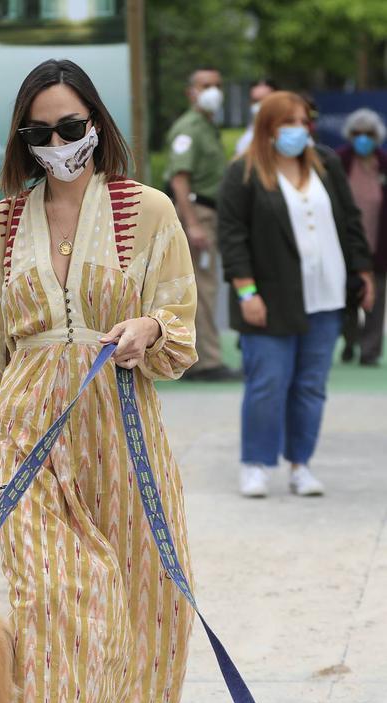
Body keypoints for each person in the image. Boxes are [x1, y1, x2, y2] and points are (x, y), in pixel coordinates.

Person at [0, 59, 197, 703]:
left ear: (95, 122)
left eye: (71, 126)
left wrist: (149, 329)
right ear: (24, 140)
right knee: (44, 596)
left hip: (117, 419)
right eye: (42, 132)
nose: (60, 142)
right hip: (30, 425)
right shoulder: (3, 222)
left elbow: (179, 316)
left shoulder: (148, 208)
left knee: (123, 585)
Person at [217, 91, 374, 499]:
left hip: (326, 296)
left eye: (303, 122)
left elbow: (350, 221)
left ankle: (300, 464)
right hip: (269, 298)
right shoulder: (244, 172)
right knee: (267, 383)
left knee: (310, 386)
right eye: (288, 123)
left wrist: (362, 270)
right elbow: (232, 238)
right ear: (268, 128)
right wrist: (246, 291)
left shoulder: (327, 164)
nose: (298, 131)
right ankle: (255, 463)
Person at [164, 67, 239, 381]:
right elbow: (179, 179)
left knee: (202, 286)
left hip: (211, 212)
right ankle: (207, 361)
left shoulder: (208, 127)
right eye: (206, 85)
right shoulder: (188, 129)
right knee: (203, 287)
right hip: (198, 212)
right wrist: (192, 223)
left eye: (218, 85)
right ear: (191, 92)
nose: (214, 91)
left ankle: (195, 356)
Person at [337, 108, 387, 366]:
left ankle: (370, 351)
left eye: (368, 134)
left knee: (376, 302)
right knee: (346, 301)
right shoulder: (340, 161)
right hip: (345, 246)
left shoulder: (384, 162)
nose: (363, 138)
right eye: (358, 133)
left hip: (378, 246)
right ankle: (349, 340)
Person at [235, 78, 278, 157]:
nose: (259, 105)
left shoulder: (287, 135)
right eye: (255, 101)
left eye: (265, 100)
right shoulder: (246, 136)